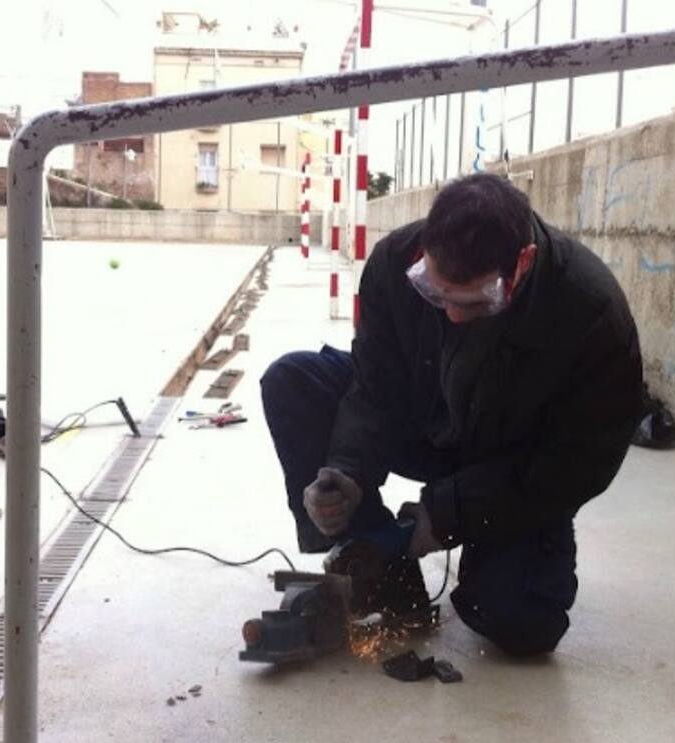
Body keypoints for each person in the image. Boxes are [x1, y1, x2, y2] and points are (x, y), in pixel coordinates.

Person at [260, 173, 643, 656]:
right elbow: (375, 388)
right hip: (425, 427)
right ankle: (379, 564)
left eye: (476, 302)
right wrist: (346, 469)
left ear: (523, 263)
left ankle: (491, 566)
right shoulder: (394, 262)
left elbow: (578, 464)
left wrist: (449, 513)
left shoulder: (590, 312)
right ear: (425, 248)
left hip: (510, 469)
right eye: (435, 295)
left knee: (519, 621)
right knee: (292, 381)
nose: (454, 316)